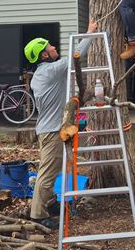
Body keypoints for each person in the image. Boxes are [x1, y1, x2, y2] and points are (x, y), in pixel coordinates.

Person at [23, 20, 98, 229]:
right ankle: (38, 216)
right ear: (44, 55)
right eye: (50, 47)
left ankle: (49, 203)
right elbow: (76, 55)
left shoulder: (42, 73)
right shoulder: (49, 71)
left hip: (48, 129)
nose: (54, 47)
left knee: (53, 169)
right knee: (47, 174)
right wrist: (90, 32)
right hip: (51, 131)